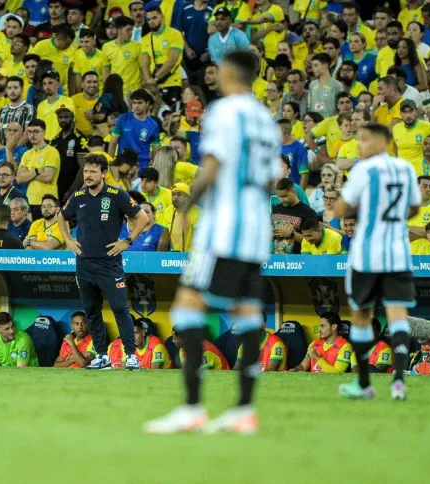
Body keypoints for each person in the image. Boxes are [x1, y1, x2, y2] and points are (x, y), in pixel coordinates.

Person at [144, 51, 282, 435]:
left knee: (186, 307)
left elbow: (214, 163)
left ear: (226, 73)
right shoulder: (266, 120)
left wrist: (188, 202)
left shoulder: (225, 111)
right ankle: (243, 409)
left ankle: (192, 408)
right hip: (256, 229)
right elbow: (271, 181)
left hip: (224, 229)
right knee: (247, 311)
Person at [334, 123, 421, 401]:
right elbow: (416, 206)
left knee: (361, 315)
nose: (359, 144)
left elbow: (341, 208)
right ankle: (398, 382)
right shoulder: (406, 169)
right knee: (397, 316)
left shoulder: (364, 170)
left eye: (364, 139)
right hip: (398, 253)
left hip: (367, 256)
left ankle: (363, 384)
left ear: (382, 141)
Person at [58, 153, 149, 370]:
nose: (88, 176)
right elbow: (62, 216)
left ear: (103, 173)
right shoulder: (78, 196)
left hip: (109, 264)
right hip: (84, 264)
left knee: (120, 308)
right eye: (86, 171)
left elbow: (143, 217)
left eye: (92, 172)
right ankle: (101, 355)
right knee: (91, 310)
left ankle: (130, 355)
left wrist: (127, 241)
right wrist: (68, 240)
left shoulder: (116, 194)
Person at [17, 119, 61, 219]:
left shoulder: (51, 151)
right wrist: (36, 171)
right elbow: (19, 179)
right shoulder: (27, 154)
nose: (32, 135)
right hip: (30, 201)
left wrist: (28, 174)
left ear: (44, 133)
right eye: (29, 132)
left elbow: (47, 177)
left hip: (48, 202)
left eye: (36, 131)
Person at [141, 5, 184, 107]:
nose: (152, 21)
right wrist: (149, 81)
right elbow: (144, 63)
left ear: (162, 17)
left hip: (172, 83)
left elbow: (171, 61)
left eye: (154, 18)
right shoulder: (146, 39)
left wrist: (154, 79)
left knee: (172, 116)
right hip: (154, 87)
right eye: (149, 19)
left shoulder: (175, 34)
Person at [108, 88, 160, 170]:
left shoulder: (153, 125)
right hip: (122, 165)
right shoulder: (123, 119)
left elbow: (155, 150)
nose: (136, 106)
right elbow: (113, 142)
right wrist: (110, 163)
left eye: (140, 103)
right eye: (134, 103)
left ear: (147, 103)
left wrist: (154, 167)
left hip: (142, 166)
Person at [51, 105, 89, 202]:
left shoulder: (80, 138)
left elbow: (84, 167)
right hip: (56, 188)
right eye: (60, 117)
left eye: (66, 117)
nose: (63, 120)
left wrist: (72, 191)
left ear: (73, 117)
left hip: (74, 188)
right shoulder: (54, 140)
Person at [272, 178, 318, 254]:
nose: (282, 200)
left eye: (285, 196)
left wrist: (291, 234)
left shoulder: (308, 212)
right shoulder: (276, 210)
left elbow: (314, 242)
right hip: (277, 260)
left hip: (299, 261)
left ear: (293, 192)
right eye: (279, 196)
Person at [102, 16, 143, 96]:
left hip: (134, 92)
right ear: (119, 30)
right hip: (116, 93)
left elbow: (142, 69)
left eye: (132, 29)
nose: (131, 33)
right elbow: (106, 72)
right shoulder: (106, 47)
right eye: (128, 30)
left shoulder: (138, 46)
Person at [393, 100, 430, 165]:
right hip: (403, 171)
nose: (408, 115)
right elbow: (395, 147)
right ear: (400, 113)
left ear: (416, 111)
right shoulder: (396, 129)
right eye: (404, 112)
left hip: (422, 171)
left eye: (410, 111)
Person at [308, 53, 344, 118]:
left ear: (325, 66)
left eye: (316, 65)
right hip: (315, 125)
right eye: (312, 66)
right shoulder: (312, 85)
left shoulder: (337, 85)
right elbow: (309, 106)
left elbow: (341, 108)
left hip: (330, 124)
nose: (313, 69)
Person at [278, 119, 308, 189]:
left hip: (292, 191)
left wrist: (300, 194)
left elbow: (304, 175)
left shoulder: (299, 148)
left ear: (282, 130)